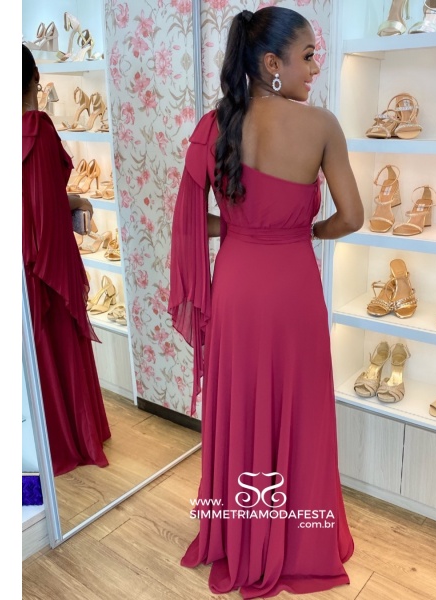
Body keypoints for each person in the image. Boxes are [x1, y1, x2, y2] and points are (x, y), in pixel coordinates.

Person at [169, 6, 364, 598]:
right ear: (273, 63)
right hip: (292, 287)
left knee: (240, 404)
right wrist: (305, 231)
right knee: (298, 409)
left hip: (236, 287)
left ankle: (239, 536)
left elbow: (194, 222)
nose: (315, 67)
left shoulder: (214, 126)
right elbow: (352, 217)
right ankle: (299, 540)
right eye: (308, 56)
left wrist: (241, 226)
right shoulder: (321, 125)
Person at [22, 44, 111, 476]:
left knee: (37, 358)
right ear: (36, 78)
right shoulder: (35, 128)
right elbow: (46, 208)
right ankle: (71, 439)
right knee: (57, 341)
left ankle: (43, 443)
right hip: (43, 263)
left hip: (25, 258)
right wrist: (75, 204)